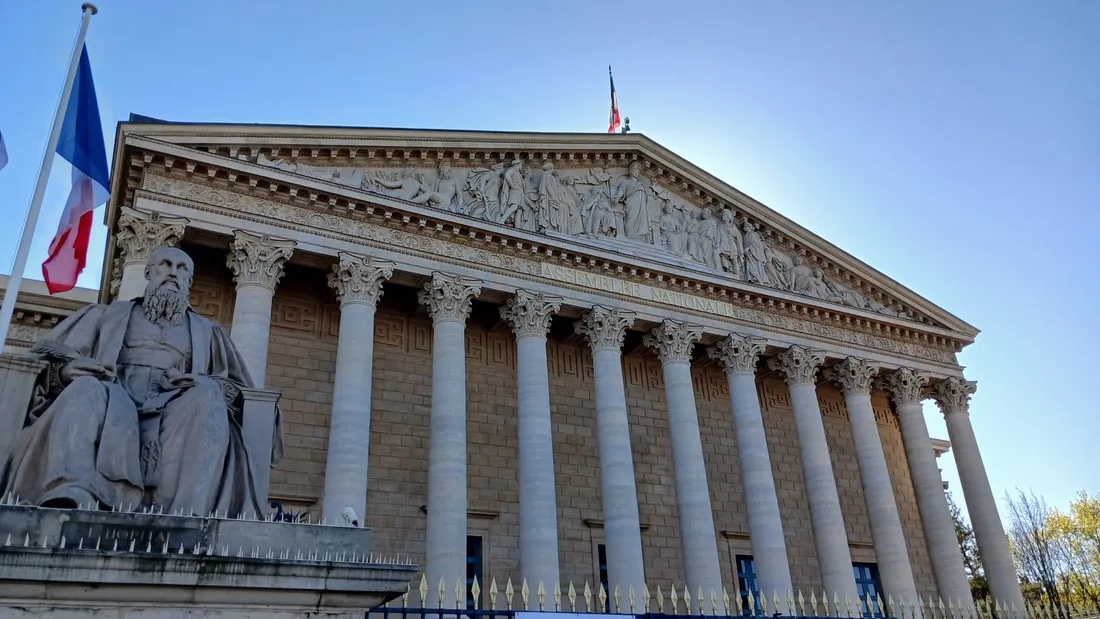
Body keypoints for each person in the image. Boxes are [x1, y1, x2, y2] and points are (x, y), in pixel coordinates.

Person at [0, 247, 280, 516]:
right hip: (112, 396)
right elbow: (44, 360)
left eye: (181, 268)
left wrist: (199, 381)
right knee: (86, 388)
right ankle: (74, 490)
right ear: (148, 273)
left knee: (208, 393)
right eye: (165, 265)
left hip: (176, 409)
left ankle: (187, 514)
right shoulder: (105, 316)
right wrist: (64, 373)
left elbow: (237, 390)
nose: (173, 273)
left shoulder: (209, 333)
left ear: (189, 281)